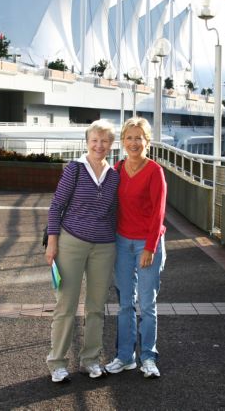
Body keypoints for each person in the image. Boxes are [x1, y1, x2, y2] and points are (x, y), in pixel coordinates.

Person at [45, 119, 119, 384]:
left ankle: (90, 360)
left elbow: (113, 212)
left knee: (96, 307)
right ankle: (57, 363)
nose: (99, 145)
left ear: (111, 145)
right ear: (87, 142)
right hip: (71, 243)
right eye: (95, 140)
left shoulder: (114, 176)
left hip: (104, 247)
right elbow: (56, 206)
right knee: (66, 305)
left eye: (105, 141)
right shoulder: (74, 169)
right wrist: (52, 242)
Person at [106, 117, 167, 379]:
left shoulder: (154, 171)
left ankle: (148, 358)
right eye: (129, 138)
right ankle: (125, 357)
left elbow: (158, 214)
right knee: (125, 304)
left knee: (147, 304)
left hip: (147, 244)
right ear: (123, 141)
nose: (134, 143)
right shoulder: (117, 169)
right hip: (122, 242)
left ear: (147, 142)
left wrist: (150, 248)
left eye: (138, 138)